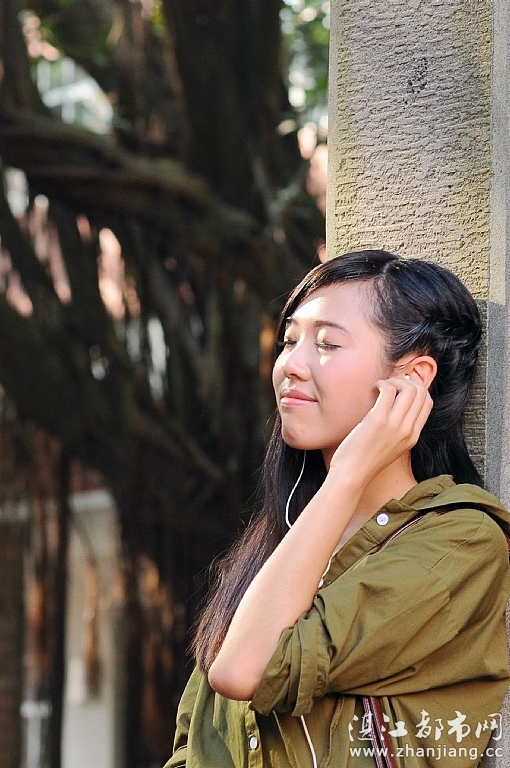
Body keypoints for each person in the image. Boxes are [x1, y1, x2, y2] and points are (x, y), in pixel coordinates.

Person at [163, 250, 510, 768]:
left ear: (414, 377)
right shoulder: (279, 545)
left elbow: (243, 669)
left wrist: (347, 474)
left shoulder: (461, 542)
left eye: (327, 343)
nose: (291, 365)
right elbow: (195, 746)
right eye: (289, 341)